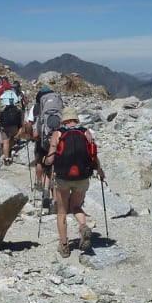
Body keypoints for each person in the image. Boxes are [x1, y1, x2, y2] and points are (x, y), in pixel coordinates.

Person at [43, 106, 104, 258]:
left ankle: (64, 246)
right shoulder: (85, 132)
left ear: (63, 119)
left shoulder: (58, 133)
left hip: (63, 178)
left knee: (62, 211)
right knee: (76, 206)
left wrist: (45, 162)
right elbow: (93, 155)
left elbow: (50, 158)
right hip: (82, 177)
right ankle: (83, 226)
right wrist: (100, 171)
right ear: (76, 119)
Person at [0, 76, 22, 166]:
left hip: (4, 124)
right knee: (12, 138)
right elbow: (20, 110)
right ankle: (9, 151)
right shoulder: (15, 98)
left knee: (5, 141)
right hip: (14, 123)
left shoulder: (1, 98)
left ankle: (6, 158)